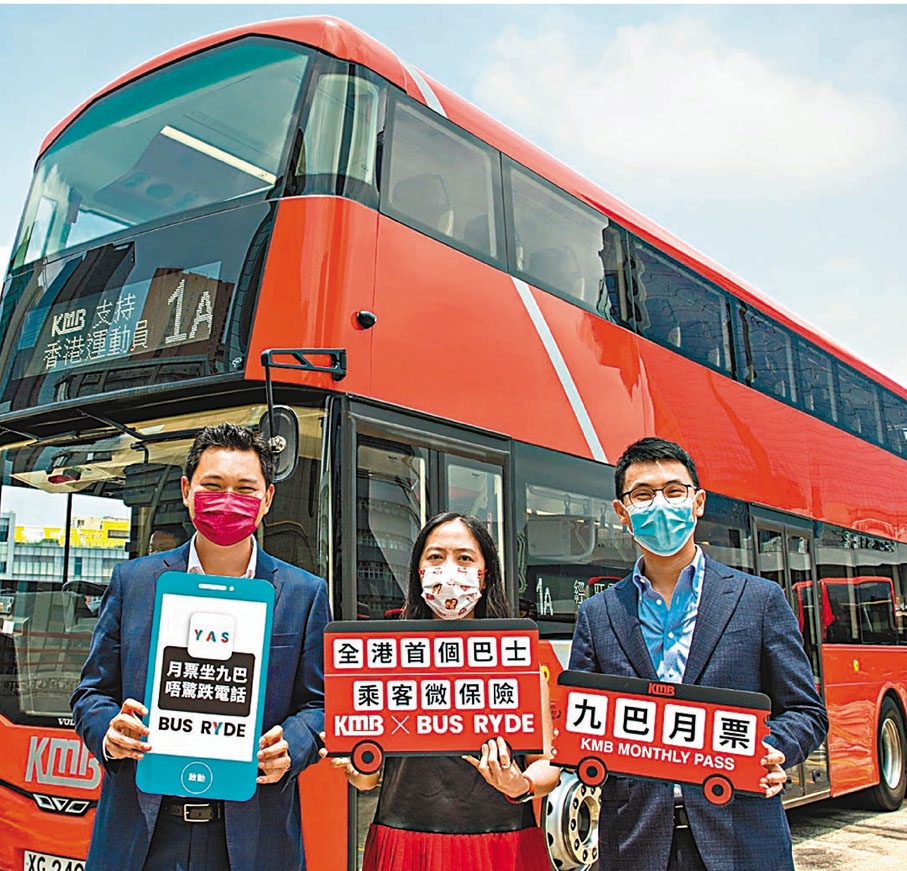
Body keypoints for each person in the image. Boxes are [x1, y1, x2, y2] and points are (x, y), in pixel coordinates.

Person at [71, 423, 330, 871]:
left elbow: (320, 703)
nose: (228, 500)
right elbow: (90, 692)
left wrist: (292, 743)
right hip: (142, 834)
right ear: (188, 491)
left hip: (253, 836)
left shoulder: (303, 593)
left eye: (244, 488)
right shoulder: (134, 582)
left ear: (267, 499)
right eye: (213, 486)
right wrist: (109, 731)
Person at [570, 437, 828, 871]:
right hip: (635, 844)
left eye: (674, 491)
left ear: (698, 502)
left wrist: (774, 750)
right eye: (643, 495)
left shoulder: (758, 599)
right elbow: (581, 721)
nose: (660, 505)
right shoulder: (598, 614)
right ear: (622, 513)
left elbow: (805, 710)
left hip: (742, 838)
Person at [324, 512, 560, 871]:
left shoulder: (518, 658)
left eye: (464, 558)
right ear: (418, 570)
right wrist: (353, 765)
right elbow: (368, 778)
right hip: (405, 844)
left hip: (503, 844)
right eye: (435, 557)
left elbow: (546, 767)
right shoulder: (383, 658)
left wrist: (520, 784)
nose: (449, 571)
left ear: (485, 573)